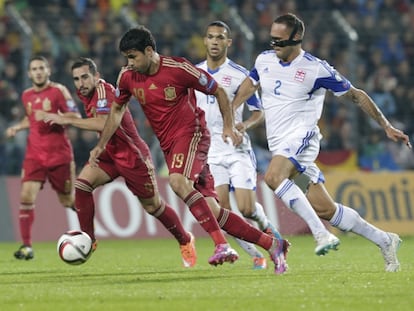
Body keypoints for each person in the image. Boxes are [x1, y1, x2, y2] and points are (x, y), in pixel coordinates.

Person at [89, 26, 289, 274]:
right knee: (213, 211)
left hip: (193, 135)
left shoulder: (178, 68)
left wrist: (228, 126)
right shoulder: (128, 77)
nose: (129, 63)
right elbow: (117, 110)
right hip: (170, 146)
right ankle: (274, 245)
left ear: (149, 51)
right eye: (127, 58)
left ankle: (221, 245)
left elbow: (217, 90)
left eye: (133, 56)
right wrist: (101, 145)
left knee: (177, 181)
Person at [231, 13, 411, 271]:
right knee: (327, 209)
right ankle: (384, 240)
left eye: (279, 41)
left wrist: (386, 125)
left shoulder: (316, 68)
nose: (274, 46)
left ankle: (321, 234)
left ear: (296, 39)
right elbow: (249, 85)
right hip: (280, 144)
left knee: (272, 177)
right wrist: (231, 114)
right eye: (271, 40)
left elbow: (356, 95)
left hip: (302, 138)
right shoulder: (264, 60)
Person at [37, 57, 197, 268]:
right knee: (82, 186)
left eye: (85, 77)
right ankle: (89, 240)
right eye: (76, 79)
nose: (80, 83)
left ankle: (185, 239)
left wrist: (65, 120)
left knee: (153, 206)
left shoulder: (105, 92)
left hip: (132, 157)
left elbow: (104, 122)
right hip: (108, 154)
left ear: (96, 76)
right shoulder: (85, 94)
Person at [195, 20, 285, 270]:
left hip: (236, 148)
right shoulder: (194, 73)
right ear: (205, 40)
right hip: (209, 151)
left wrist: (244, 125)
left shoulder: (239, 75)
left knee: (245, 208)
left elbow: (258, 112)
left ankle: (269, 230)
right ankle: (257, 254)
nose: (214, 41)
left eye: (220, 37)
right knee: (221, 212)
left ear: (228, 42)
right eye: (211, 37)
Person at [5, 55, 81, 260]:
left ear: (48, 71)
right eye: (34, 69)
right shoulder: (26, 95)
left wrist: (54, 117)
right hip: (34, 156)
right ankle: (27, 246)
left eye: (41, 68)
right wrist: (18, 127)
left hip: (59, 156)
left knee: (67, 200)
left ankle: (87, 228)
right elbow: (31, 118)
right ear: (29, 73)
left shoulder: (59, 91)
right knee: (26, 197)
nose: (38, 72)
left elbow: (76, 117)